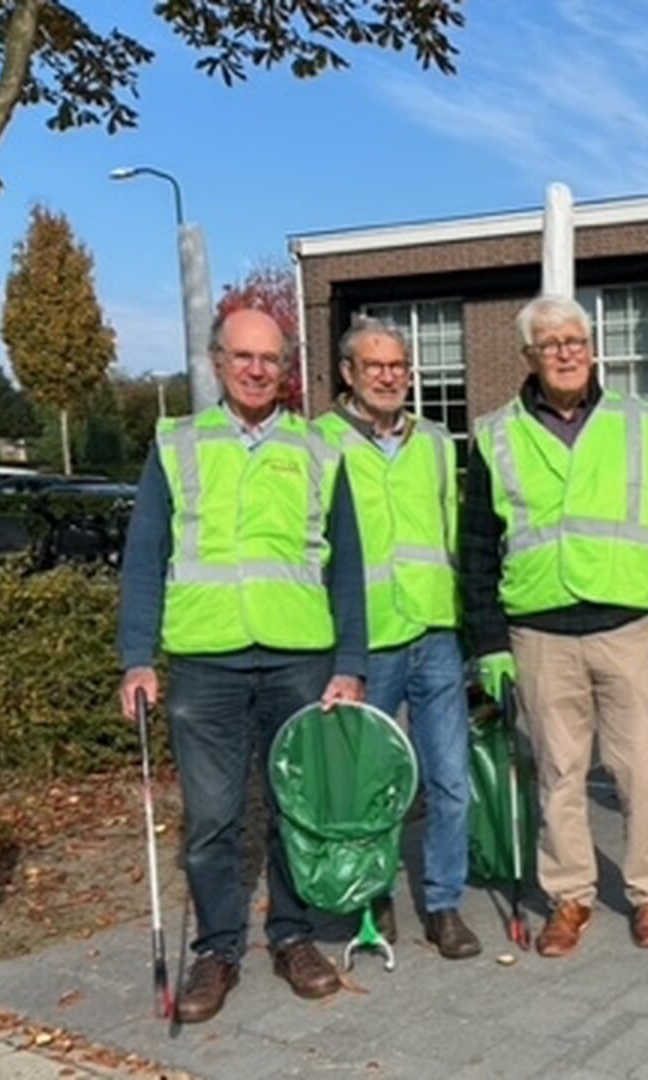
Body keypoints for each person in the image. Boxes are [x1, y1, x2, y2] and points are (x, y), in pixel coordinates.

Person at [116, 308, 367, 1023]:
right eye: (243, 356)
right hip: (205, 663)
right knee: (214, 818)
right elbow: (144, 559)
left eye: (271, 358)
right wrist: (137, 657)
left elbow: (348, 564)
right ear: (217, 362)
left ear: (287, 368)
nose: (257, 369)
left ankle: (292, 936)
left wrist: (349, 661)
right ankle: (218, 949)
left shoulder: (320, 450)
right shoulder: (177, 445)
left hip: (299, 657)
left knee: (299, 808)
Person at [461, 294, 648, 958]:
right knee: (560, 772)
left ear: (591, 350)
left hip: (628, 627)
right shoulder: (496, 433)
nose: (566, 352)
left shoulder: (634, 421)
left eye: (576, 341)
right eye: (551, 343)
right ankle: (570, 896)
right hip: (539, 634)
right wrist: (487, 642)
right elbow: (477, 546)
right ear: (528, 356)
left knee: (640, 769)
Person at [313, 317, 479, 960]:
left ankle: (444, 904)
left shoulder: (436, 443)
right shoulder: (318, 442)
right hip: (365, 642)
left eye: (399, 365)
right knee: (370, 784)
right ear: (348, 373)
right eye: (375, 365)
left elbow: (452, 532)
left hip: (435, 633)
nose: (390, 376)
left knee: (450, 778)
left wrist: (468, 631)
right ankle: (371, 897)